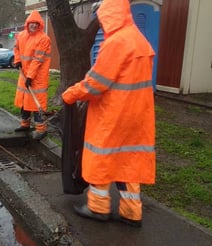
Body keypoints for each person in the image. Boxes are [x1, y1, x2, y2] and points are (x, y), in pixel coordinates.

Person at [61, 0, 156, 227]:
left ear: (109, 15)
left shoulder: (116, 42)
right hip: (137, 115)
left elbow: (96, 84)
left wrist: (71, 94)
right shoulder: (138, 40)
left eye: (101, 17)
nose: (101, 23)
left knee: (100, 157)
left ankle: (98, 207)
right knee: (128, 162)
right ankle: (131, 212)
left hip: (112, 114)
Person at [13, 10, 51, 140]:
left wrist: (30, 76)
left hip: (38, 76)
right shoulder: (21, 36)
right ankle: (25, 124)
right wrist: (17, 60)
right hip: (25, 74)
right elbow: (16, 48)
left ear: (40, 24)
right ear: (27, 23)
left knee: (37, 102)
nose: (33, 25)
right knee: (25, 101)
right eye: (31, 23)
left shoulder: (44, 39)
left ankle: (41, 129)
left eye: (36, 23)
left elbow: (38, 59)